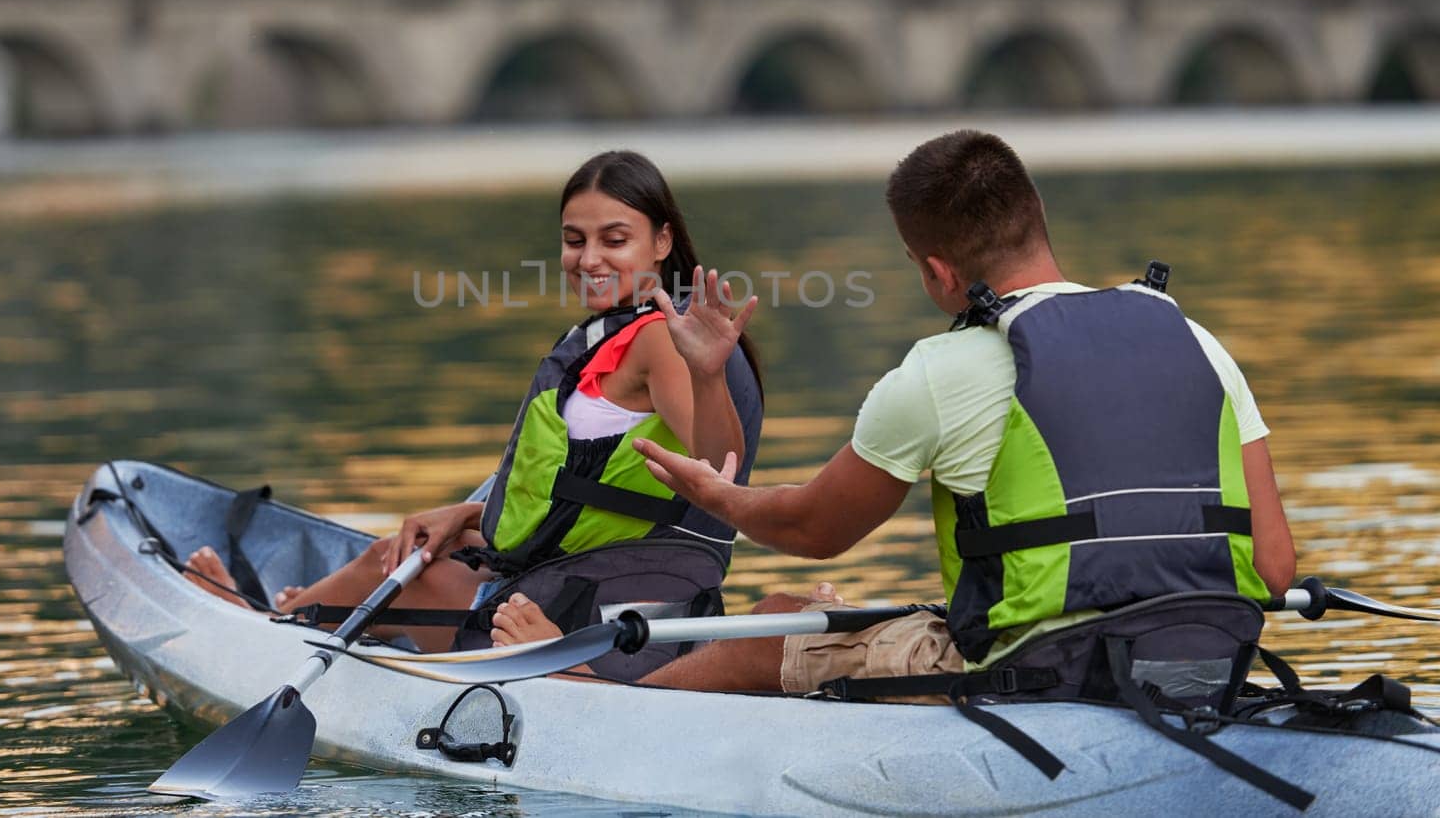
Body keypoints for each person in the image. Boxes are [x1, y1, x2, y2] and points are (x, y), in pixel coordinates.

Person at [496, 129, 1295, 699]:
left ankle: (590, 690)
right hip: (1209, 660)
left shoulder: (941, 370)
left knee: (777, 620)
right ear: (1037, 211)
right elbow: (1277, 567)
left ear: (939, 271)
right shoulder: (1196, 340)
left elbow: (813, 532)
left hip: (1043, 675)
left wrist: (718, 497)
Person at [184, 150, 763, 667]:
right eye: (573, 239)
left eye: (615, 241)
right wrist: (469, 514)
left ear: (661, 243)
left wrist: (708, 375)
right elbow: (573, 484)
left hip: (597, 609)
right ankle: (305, 611)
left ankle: (269, 630)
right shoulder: (627, 330)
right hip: (591, 577)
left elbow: (719, 474)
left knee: (394, 565)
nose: (588, 260)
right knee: (430, 544)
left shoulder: (658, 339)